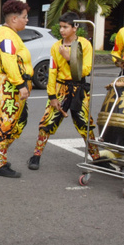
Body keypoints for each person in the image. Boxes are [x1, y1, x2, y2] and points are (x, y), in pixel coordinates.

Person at [28, 12, 102, 169]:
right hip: (60, 88)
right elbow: (52, 72)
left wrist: (69, 58)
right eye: (60, 27)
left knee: (85, 125)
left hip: (79, 89)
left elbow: (86, 70)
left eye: (65, 27)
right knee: (47, 122)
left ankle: (96, 157)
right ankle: (36, 155)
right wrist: (52, 96)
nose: (61, 30)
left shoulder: (84, 44)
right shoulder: (56, 47)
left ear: (75, 27)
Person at [0, 0, 32, 178]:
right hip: (7, 84)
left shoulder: (10, 34)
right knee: (5, 123)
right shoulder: (6, 36)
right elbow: (8, 61)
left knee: (19, 120)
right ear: (14, 18)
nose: (27, 20)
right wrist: (20, 84)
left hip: (9, 83)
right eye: (25, 17)